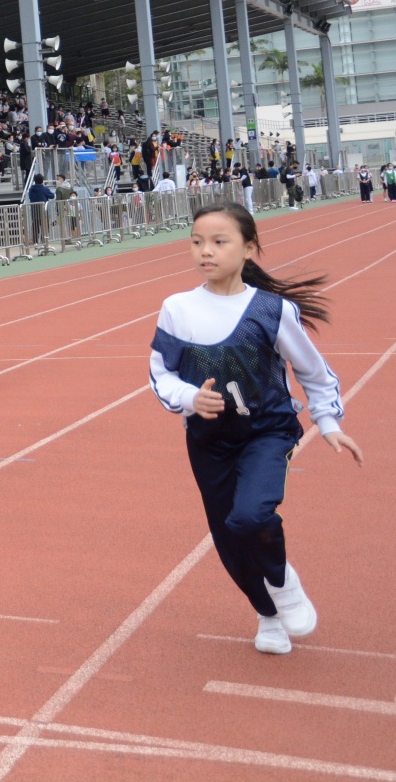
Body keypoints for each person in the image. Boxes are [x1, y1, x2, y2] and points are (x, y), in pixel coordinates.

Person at [148, 203, 360, 655]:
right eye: (197, 242)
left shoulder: (272, 309)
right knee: (228, 537)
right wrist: (190, 398)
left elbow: (313, 371)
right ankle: (268, 615)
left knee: (251, 516)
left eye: (218, 242)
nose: (205, 251)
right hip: (209, 441)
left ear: (248, 248)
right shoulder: (177, 308)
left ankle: (284, 585)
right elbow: (162, 373)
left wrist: (327, 421)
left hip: (267, 431)